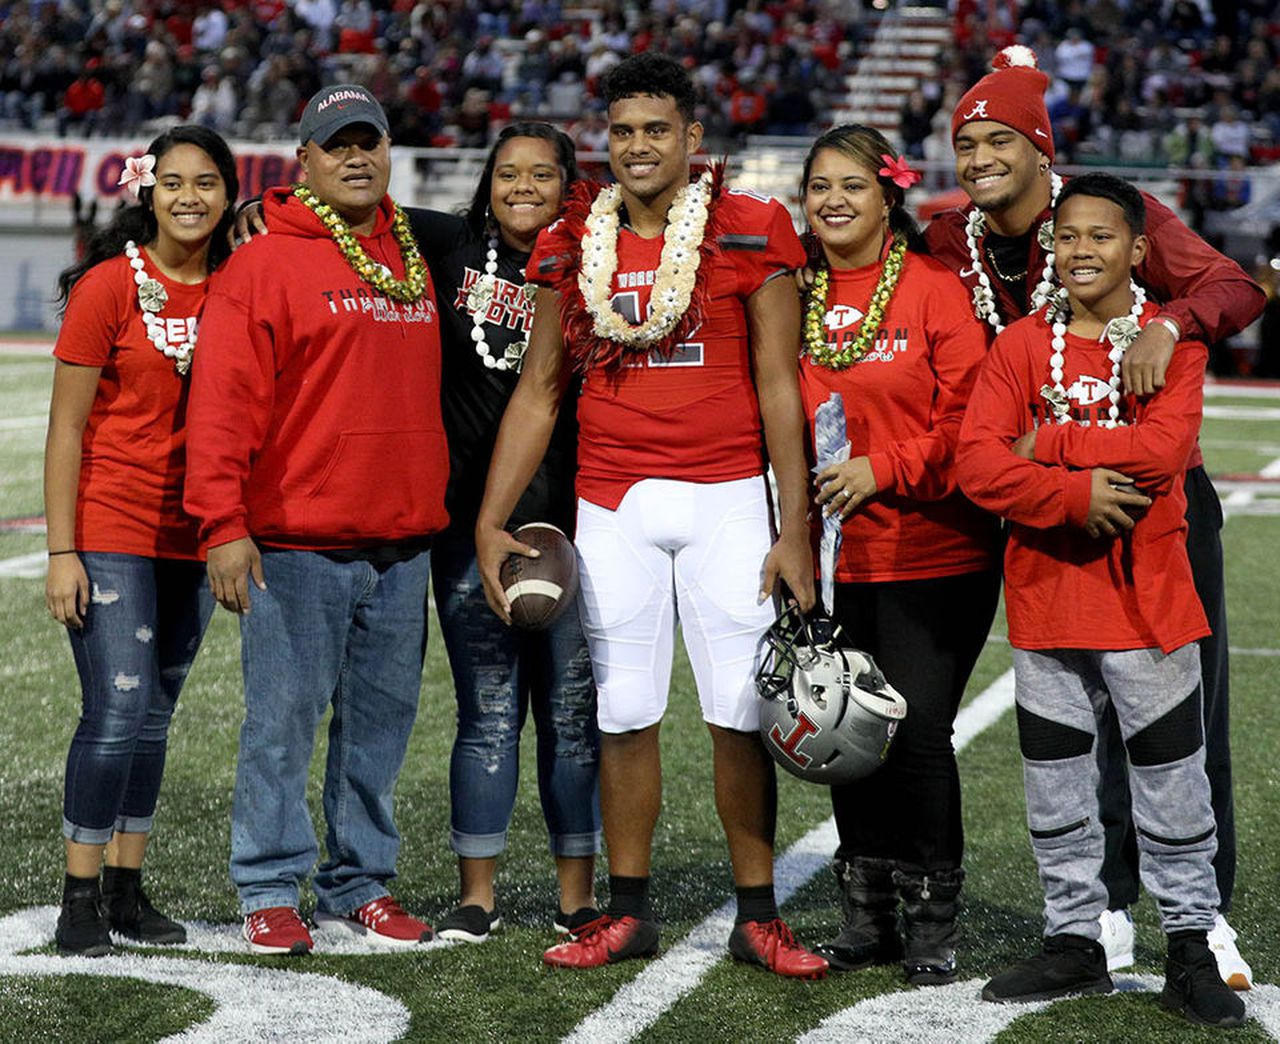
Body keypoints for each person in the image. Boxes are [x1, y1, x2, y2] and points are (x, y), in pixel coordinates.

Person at [474, 52, 826, 978]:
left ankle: (759, 915)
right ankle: (627, 912)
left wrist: (798, 527)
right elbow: (539, 393)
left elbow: (781, 386)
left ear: (693, 139)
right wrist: (490, 519)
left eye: (656, 130)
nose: (637, 146)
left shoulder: (755, 228)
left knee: (737, 712)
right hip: (613, 504)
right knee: (625, 712)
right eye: (623, 131)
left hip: (726, 502)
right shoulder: (567, 237)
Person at [927, 46, 1265, 987]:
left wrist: (1170, 324)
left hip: (1153, 512)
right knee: (1063, 738)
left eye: (1001, 139)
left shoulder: (1119, 211)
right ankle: (1094, 919)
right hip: (1040, 518)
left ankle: (1203, 923)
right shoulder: (951, 238)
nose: (981, 156)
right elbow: (983, 447)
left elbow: (1236, 286)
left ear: (1044, 150)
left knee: (1181, 728)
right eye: (967, 141)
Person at [184, 84, 448, 956]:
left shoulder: (410, 250)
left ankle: (358, 882)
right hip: (295, 543)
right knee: (281, 726)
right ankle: (266, 883)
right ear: (304, 161)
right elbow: (222, 402)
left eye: (370, 141)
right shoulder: (262, 262)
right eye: (337, 145)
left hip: (403, 541)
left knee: (378, 730)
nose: (356, 157)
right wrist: (222, 523)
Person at [795, 126, 1000, 985]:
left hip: (935, 550)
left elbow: (972, 425)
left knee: (914, 734)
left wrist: (886, 467)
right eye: (818, 187)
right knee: (848, 733)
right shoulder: (791, 291)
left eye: (851, 184)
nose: (833, 201)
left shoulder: (934, 290)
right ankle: (867, 913)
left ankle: (931, 923)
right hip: (833, 560)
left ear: (889, 197)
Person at [44, 125, 238, 956]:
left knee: (154, 720)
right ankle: (77, 896)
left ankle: (126, 889)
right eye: (173, 183)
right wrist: (61, 551)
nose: (190, 198)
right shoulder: (107, 288)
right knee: (118, 708)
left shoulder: (239, 282)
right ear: (146, 191)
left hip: (195, 533)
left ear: (230, 195)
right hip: (113, 524)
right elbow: (65, 429)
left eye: (207, 183)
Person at [408, 123, 603, 943]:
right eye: (508, 173)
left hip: (578, 519)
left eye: (543, 175)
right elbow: (353, 208)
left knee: (569, 714)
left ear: (571, 186)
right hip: (468, 523)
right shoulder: (450, 247)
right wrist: (255, 209)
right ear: (486, 183)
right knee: (485, 710)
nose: (524, 187)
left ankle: (576, 899)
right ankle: (477, 896)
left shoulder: (604, 265)